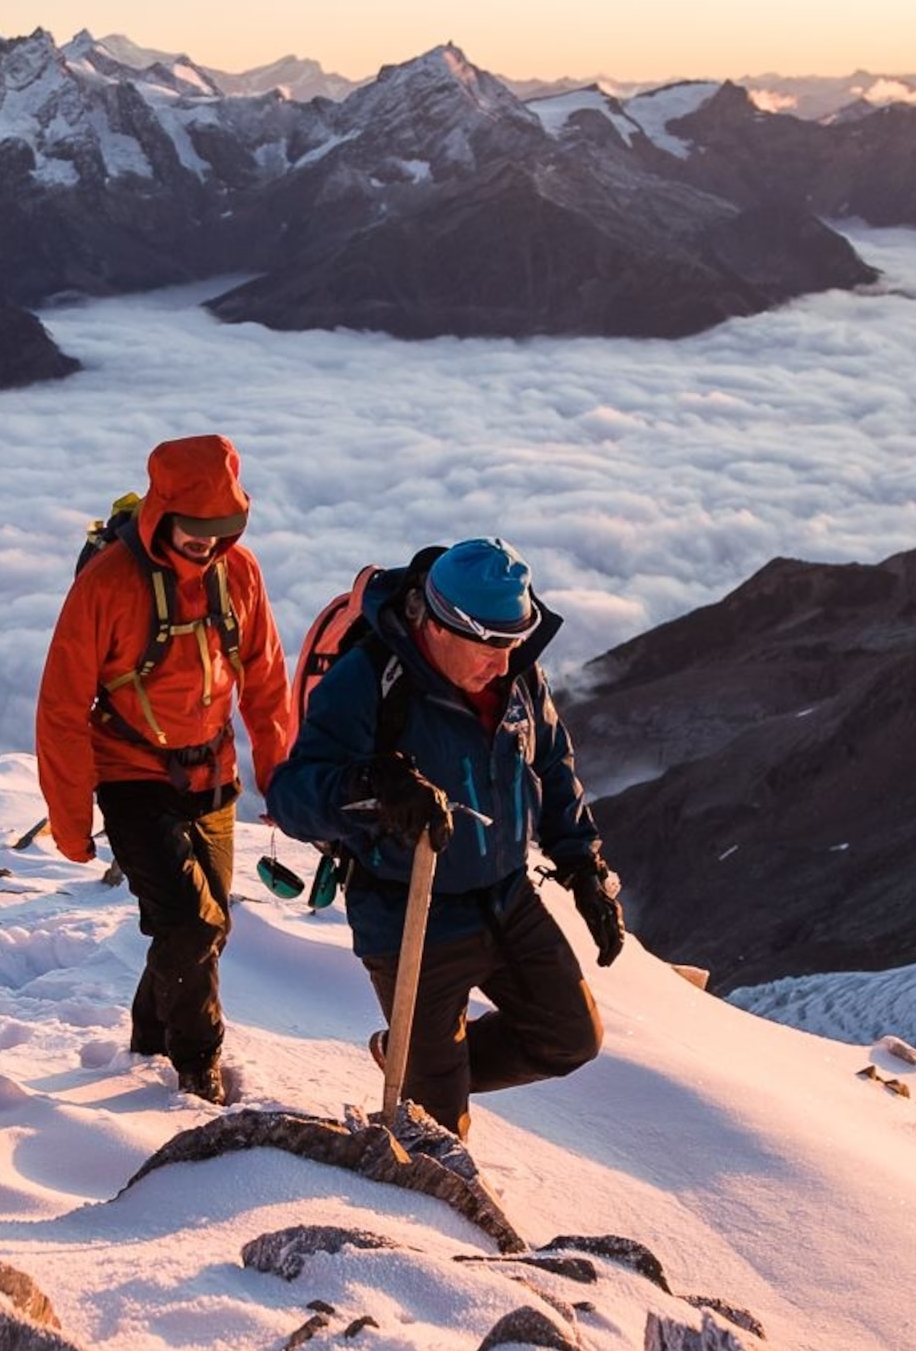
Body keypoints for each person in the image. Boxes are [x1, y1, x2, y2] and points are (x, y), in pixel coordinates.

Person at [266, 537, 626, 1137]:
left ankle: (413, 1062)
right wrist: (372, 786)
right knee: (437, 1125)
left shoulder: (517, 676)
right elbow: (291, 797)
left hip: (506, 895)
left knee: (570, 1036)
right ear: (437, 626)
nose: (504, 665)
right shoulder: (370, 681)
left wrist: (585, 868)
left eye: (514, 644)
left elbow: (552, 766)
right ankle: (427, 1090)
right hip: (409, 906)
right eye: (490, 648)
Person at [36, 435, 293, 1102]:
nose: (208, 544)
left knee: (208, 927)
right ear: (161, 514)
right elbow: (61, 707)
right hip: (130, 774)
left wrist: (280, 776)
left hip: (213, 773)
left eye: (223, 529)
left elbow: (265, 675)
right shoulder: (106, 584)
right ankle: (196, 1068)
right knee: (192, 923)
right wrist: (71, 821)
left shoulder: (240, 572)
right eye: (195, 530)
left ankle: (148, 1037)